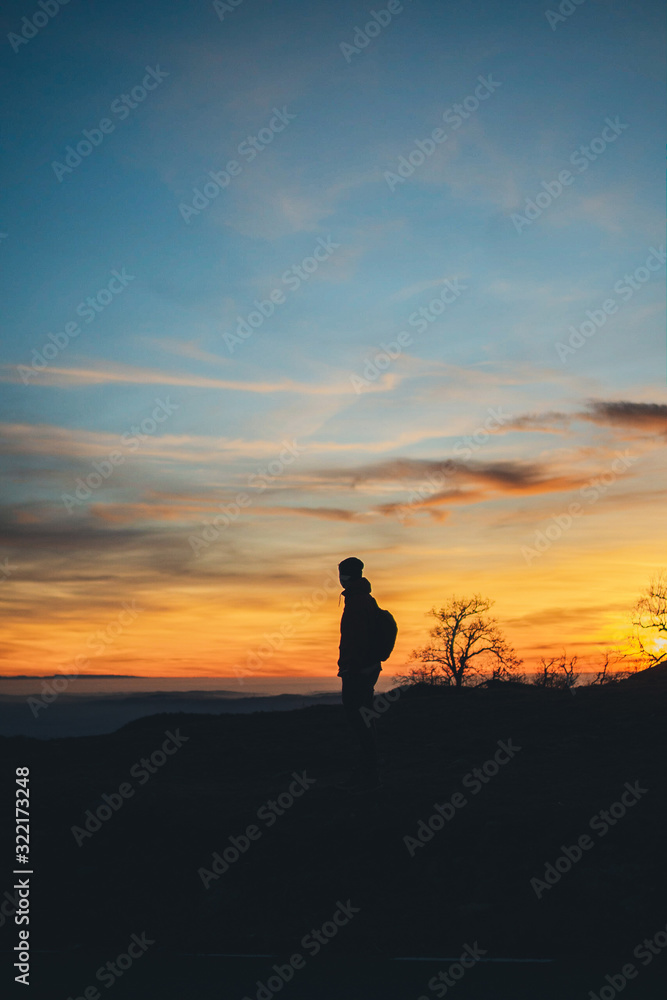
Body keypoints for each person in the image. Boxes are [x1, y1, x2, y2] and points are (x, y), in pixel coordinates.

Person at [337, 556, 382, 790]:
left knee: (359, 719)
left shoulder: (356, 602)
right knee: (365, 716)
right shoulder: (366, 599)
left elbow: (355, 639)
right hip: (367, 668)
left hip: (357, 671)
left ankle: (368, 773)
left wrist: (350, 668)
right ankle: (369, 770)